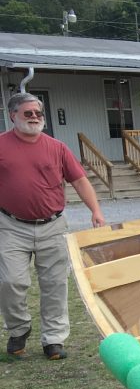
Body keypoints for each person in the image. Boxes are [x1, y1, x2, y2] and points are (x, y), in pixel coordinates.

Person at [0, 92, 106, 360]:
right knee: (10, 282)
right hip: (11, 226)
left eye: (38, 113)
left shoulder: (57, 147)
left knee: (55, 284)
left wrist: (95, 210)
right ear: (13, 115)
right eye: (28, 113)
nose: (34, 118)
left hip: (53, 226)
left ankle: (54, 340)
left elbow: (79, 181)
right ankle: (18, 330)